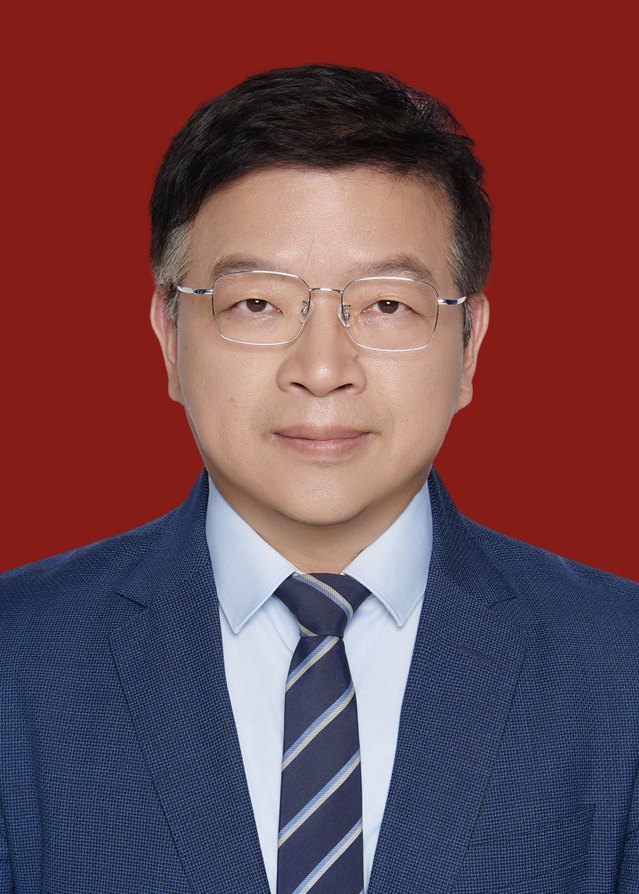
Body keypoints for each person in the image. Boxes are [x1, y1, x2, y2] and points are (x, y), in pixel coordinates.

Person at [0, 63, 637, 894]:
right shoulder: (18, 660)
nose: (323, 368)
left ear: (468, 346)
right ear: (170, 336)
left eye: (386, 306)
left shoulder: (618, 665)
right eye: (257, 304)